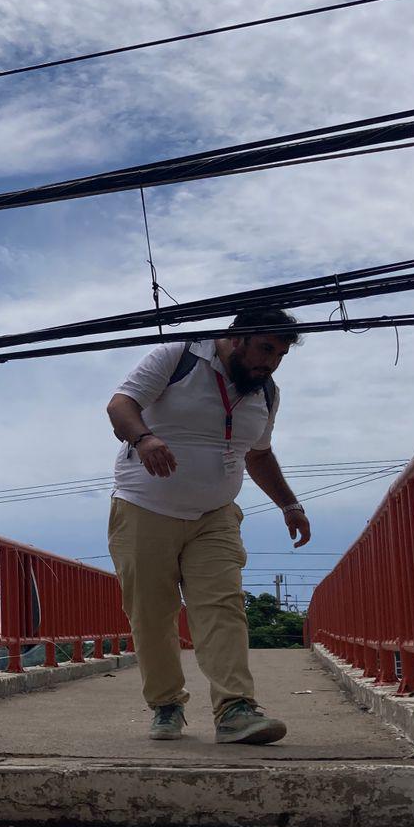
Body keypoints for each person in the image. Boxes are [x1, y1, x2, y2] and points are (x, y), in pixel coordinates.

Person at [104, 309, 311, 745]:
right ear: (237, 338)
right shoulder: (178, 355)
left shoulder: (267, 393)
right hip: (144, 507)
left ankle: (235, 709)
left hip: (215, 515)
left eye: (281, 354)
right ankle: (166, 704)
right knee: (152, 614)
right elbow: (121, 404)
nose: (271, 362)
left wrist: (289, 504)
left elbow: (258, 454)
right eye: (266, 349)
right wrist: (144, 439)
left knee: (223, 607)